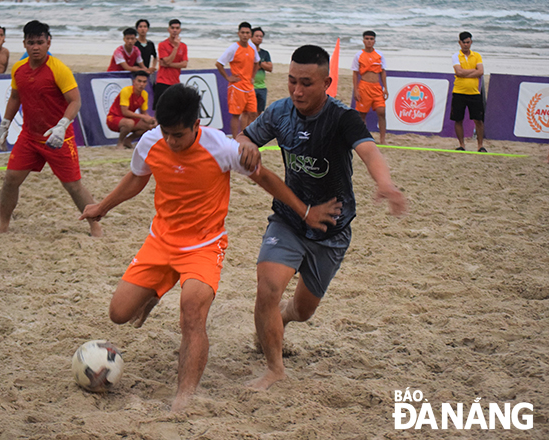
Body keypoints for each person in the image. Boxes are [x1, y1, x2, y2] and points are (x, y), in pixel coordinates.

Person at [79, 84, 341, 412]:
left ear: (195, 126)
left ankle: (184, 395)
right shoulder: (150, 141)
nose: (171, 142)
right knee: (119, 314)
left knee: (192, 313)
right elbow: (137, 177)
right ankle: (157, 288)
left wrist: (304, 211)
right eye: (166, 134)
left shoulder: (221, 148)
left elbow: (266, 179)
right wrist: (103, 206)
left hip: (204, 246)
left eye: (178, 135)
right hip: (160, 242)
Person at [236, 45, 407, 390]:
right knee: (267, 289)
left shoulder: (342, 117)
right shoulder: (280, 112)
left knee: (302, 311)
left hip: (332, 229)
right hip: (289, 219)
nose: (297, 91)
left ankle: (280, 320)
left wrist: (385, 183)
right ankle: (274, 368)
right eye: (292, 81)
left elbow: (368, 150)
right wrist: (246, 143)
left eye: (307, 83)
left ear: (327, 82)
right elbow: (244, 136)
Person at [0, 20, 102, 238]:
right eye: (31, 43)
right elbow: (15, 97)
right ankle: (3, 225)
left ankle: (95, 227)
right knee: (10, 179)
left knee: (74, 187)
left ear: (48, 42)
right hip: (30, 137)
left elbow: (75, 101)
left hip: (58, 138)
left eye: (40, 42)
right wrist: (5, 124)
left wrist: (62, 125)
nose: (35, 47)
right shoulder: (18, 69)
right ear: (24, 43)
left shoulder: (58, 69)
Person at [215, 22, 260, 138]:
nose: (245, 35)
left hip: (249, 86)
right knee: (236, 114)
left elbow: (257, 62)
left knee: (252, 113)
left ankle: (247, 136)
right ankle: (235, 139)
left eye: (247, 33)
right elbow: (219, 64)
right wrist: (228, 77)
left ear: (250, 34)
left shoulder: (252, 47)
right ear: (238, 34)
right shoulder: (233, 48)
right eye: (243, 33)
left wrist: (252, 77)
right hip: (237, 86)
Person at [451, 31, 486, 152]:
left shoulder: (477, 55)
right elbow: (458, 72)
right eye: (464, 42)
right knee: (458, 119)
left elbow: (481, 71)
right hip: (459, 91)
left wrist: (465, 73)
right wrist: (473, 71)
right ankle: (462, 144)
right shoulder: (456, 56)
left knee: (478, 120)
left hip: (474, 92)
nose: (466, 45)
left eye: (468, 42)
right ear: (459, 43)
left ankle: (480, 145)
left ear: (471, 42)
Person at [351, 30, 388, 145]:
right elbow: (355, 73)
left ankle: (382, 139)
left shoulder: (379, 55)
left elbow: (382, 72)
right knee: (362, 114)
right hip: (364, 86)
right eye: (367, 39)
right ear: (363, 40)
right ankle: (365, 139)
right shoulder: (359, 55)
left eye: (371, 39)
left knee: (381, 111)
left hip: (376, 87)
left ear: (374, 41)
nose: (369, 41)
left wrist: (385, 88)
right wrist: (356, 90)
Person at [106, 70, 157, 149]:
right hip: (113, 118)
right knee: (129, 123)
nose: (141, 84)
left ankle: (128, 140)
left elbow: (144, 113)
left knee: (149, 125)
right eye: (139, 81)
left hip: (129, 119)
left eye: (144, 82)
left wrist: (151, 119)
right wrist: (143, 117)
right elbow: (125, 112)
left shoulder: (144, 94)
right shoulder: (126, 91)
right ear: (134, 82)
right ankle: (120, 143)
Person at [154, 19, 188, 110]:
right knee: (160, 109)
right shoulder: (163, 45)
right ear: (168, 29)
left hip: (175, 82)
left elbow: (184, 64)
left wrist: (168, 64)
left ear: (180, 30)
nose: (175, 30)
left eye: (177, 28)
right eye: (172, 28)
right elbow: (167, 60)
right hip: (163, 81)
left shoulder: (184, 46)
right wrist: (176, 47)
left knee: (175, 110)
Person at [251, 27, 273, 117]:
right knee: (250, 112)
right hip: (250, 86)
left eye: (261, 36)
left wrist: (259, 63)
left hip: (262, 86)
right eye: (257, 36)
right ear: (251, 37)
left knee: (259, 112)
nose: (259, 38)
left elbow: (270, 68)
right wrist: (262, 64)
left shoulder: (265, 53)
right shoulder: (248, 52)